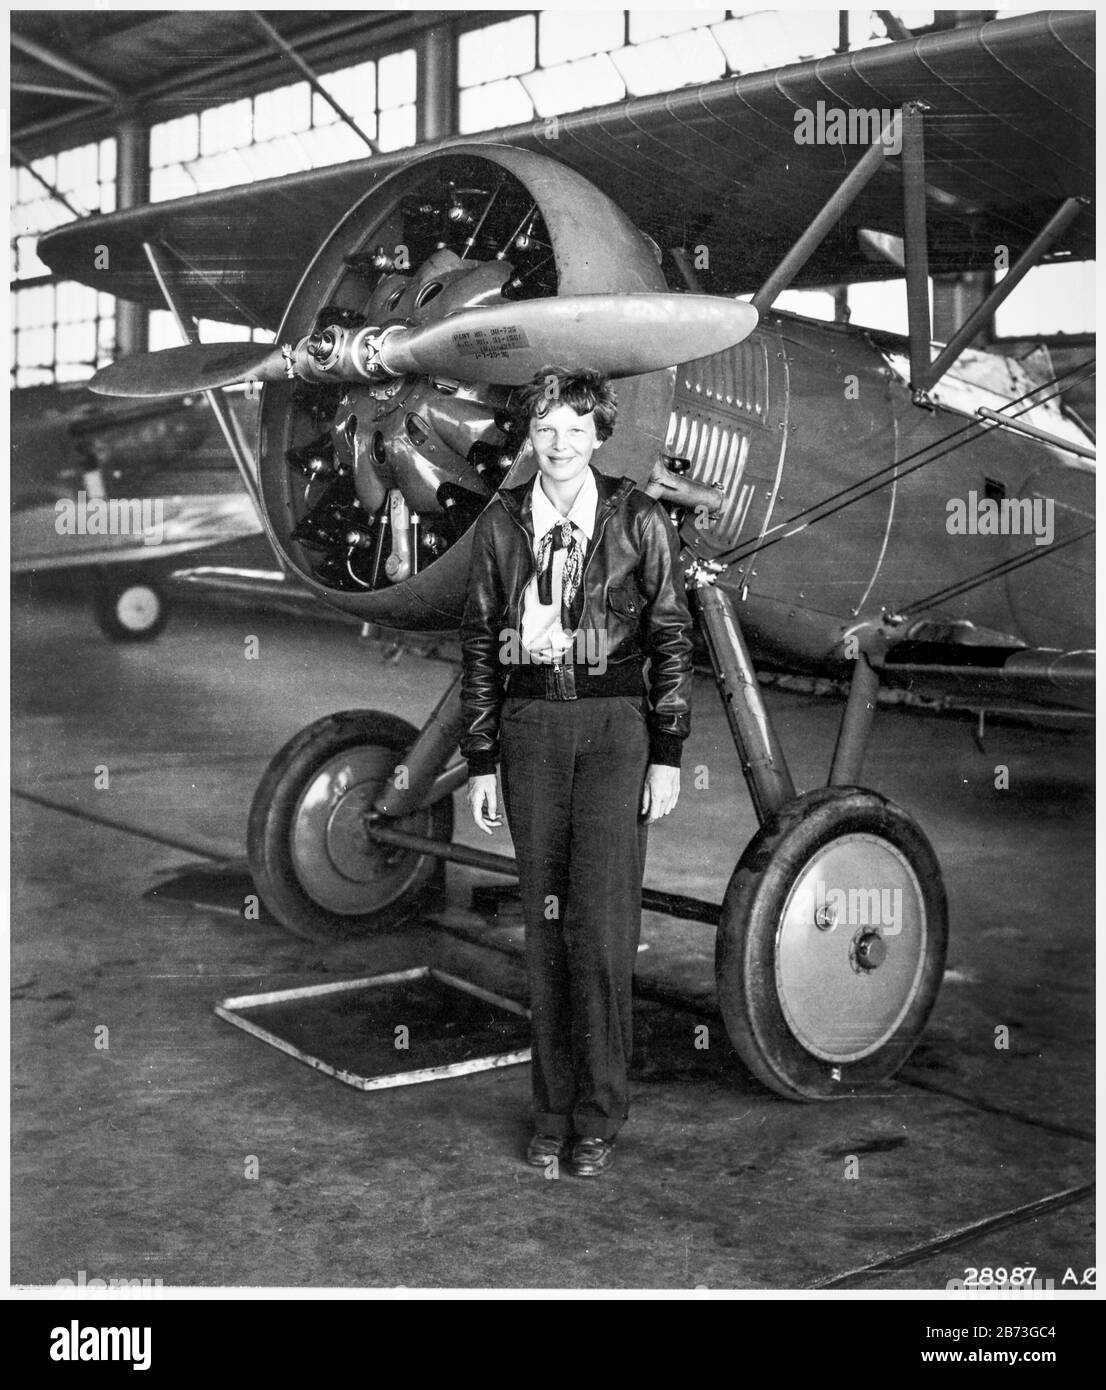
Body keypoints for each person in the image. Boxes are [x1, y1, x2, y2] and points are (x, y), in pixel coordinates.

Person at [459, 366, 694, 1178]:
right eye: (546, 429)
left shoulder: (641, 520)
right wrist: (481, 759)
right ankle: (551, 1113)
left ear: (600, 436)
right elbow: (482, 649)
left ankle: (599, 1115)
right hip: (530, 731)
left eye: (576, 429)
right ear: (530, 438)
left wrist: (666, 753)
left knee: (599, 932)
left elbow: (670, 640)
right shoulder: (500, 525)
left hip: (613, 731)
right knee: (546, 931)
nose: (560, 444)